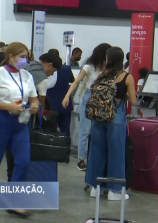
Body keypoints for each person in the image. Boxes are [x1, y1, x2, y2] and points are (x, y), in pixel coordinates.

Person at [0, 42, 39, 218]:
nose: (24, 60)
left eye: (26, 57)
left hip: (20, 123)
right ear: (11, 56)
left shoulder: (27, 76)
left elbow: (34, 98)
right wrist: (7, 106)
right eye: (21, 57)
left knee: (23, 161)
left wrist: (35, 105)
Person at [85, 46, 137, 200]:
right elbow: (133, 101)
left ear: (108, 59)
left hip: (98, 117)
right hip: (116, 116)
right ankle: (115, 191)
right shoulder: (126, 77)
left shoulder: (101, 75)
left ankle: (95, 188)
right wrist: (127, 94)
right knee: (116, 152)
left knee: (96, 151)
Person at [6, 52, 62, 182]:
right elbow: (40, 104)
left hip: (8, 112)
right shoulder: (42, 78)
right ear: (49, 65)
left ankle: (10, 178)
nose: (51, 74)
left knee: (10, 151)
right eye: (53, 71)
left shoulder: (26, 68)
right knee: (22, 151)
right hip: (24, 117)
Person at [62, 43, 111, 171]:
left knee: (98, 131)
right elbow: (76, 81)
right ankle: (81, 159)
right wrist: (67, 96)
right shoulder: (89, 67)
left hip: (103, 98)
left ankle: (94, 158)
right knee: (85, 129)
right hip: (89, 97)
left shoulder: (108, 68)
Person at [47, 51, 74, 135]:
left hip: (50, 103)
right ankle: (65, 147)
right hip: (65, 103)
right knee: (65, 130)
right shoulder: (66, 68)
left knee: (50, 130)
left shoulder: (47, 70)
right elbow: (72, 80)